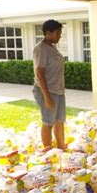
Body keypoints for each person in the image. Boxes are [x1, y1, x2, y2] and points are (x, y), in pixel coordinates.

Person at [32, 19, 66, 150]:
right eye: (57, 33)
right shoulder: (41, 49)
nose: (59, 36)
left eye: (60, 33)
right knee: (48, 122)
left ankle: (61, 148)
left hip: (58, 91)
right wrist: (47, 97)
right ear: (48, 33)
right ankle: (48, 153)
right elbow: (39, 73)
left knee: (60, 120)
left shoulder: (52, 47)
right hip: (46, 91)